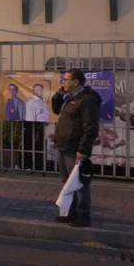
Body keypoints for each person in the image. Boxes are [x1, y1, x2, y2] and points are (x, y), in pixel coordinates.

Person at [51, 69, 101, 228]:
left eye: (66, 80)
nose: (63, 82)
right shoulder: (71, 97)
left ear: (76, 82)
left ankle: (83, 216)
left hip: (75, 148)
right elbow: (56, 109)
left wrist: (83, 149)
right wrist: (58, 95)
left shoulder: (87, 99)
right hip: (64, 146)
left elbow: (91, 127)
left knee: (79, 183)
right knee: (67, 182)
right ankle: (69, 213)